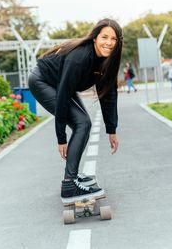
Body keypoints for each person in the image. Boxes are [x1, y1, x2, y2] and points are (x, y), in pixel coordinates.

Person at [28, 19, 123, 204]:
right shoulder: (80, 57)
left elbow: (108, 95)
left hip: (60, 85)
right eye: (105, 37)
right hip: (43, 81)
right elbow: (63, 96)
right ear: (95, 38)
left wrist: (111, 129)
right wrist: (61, 137)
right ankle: (69, 184)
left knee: (83, 123)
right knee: (82, 123)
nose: (109, 42)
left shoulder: (106, 61)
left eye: (114, 39)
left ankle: (72, 178)